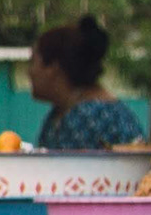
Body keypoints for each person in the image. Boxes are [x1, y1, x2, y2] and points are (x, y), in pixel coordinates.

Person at [27, 14, 144, 149]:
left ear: (54, 67)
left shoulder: (90, 118)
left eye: (33, 62)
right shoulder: (59, 115)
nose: (29, 72)